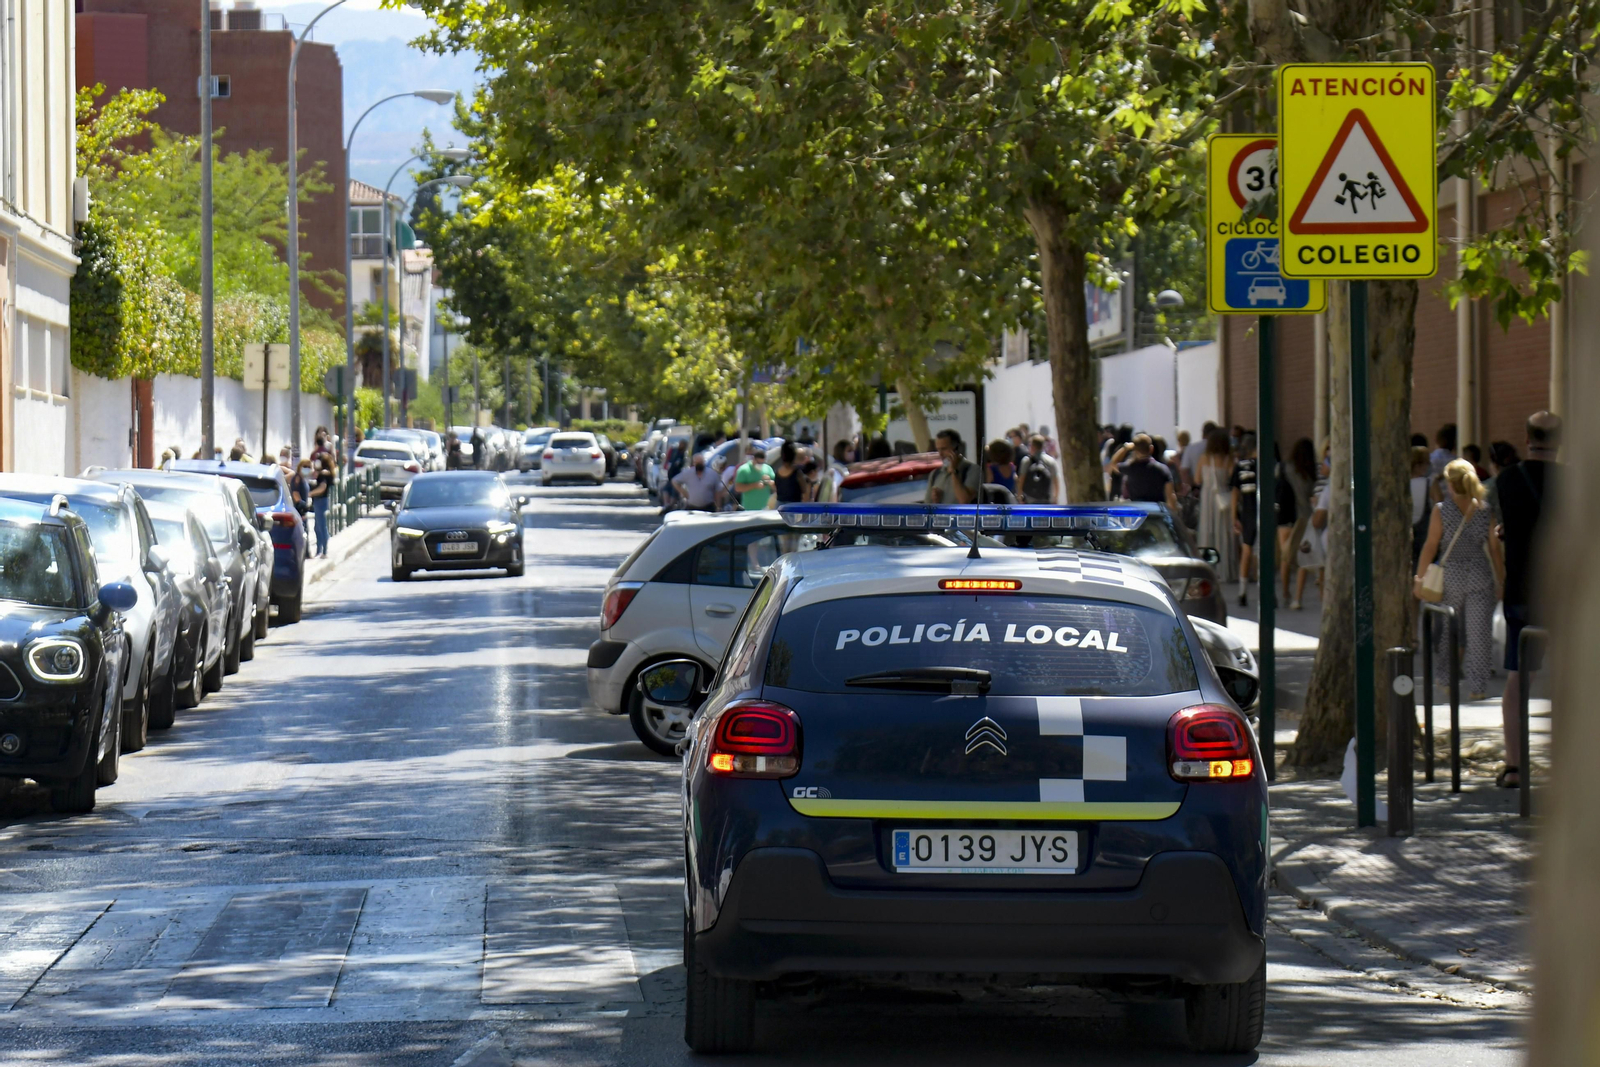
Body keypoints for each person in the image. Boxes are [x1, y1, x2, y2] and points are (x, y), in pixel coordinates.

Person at [1494, 411, 1560, 788]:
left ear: (1527, 436)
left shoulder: (1507, 480)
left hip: (1522, 590)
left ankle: (1515, 766)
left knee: (1519, 680)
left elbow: (1510, 526)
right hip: (1565, 594)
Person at [1414, 458, 1503, 702]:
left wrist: (1420, 578)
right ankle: (1478, 686)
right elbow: (1495, 549)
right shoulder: (1485, 510)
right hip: (1479, 574)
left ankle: (1445, 678)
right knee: (1479, 633)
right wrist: (1501, 580)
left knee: (1448, 631)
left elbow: (1431, 546)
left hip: (1450, 575)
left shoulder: (1442, 511)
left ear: (1450, 484)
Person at [1195, 428, 1236, 580]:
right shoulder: (1229, 459)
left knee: (1207, 531)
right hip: (1224, 498)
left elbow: (1197, 480)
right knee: (1223, 533)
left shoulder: (1204, 458)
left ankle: (1208, 571)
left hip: (1208, 498)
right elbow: (1233, 479)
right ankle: (1225, 571)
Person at [1280, 437, 1316, 591]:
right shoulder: (1310, 473)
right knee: (1302, 557)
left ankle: (1285, 591)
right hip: (1303, 517)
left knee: (1285, 557)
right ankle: (1297, 596)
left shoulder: (1284, 468)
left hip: (1285, 516)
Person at [1108, 433, 1178, 508]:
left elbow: (1113, 464)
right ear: (1151, 449)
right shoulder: (1163, 469)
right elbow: (1170, 496)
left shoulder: (1130, 468)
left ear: (1135, 449)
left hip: (1138, 513)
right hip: (1157, 512)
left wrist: (1126, 447)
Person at [1230, 434, 1260, 606]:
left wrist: (1234, 516)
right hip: (1264, 512)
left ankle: (1242, 592)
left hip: (1247, 512)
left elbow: (1235, 493)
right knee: (1263, 553)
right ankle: (1265, 591)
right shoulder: (1268, 465)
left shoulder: (1240, 466)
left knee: (1246, 551)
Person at [925, 429, 981, 505]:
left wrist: (954, 471)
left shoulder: (973, 471)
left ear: (957, 449)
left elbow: (964, 501)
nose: (940, 454)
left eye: (944, 449)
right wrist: (935, 501)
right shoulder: (936, 474)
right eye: (938, 449)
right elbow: (927, 507)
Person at [1016, 433, 1061, 504]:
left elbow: (1021, 479)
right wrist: (1055, 498)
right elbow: (1056, 481)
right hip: (1047, 500)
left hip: (1030, 500)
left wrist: (1019, 497)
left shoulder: (1027, 461)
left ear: (1032, 446)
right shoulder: (1051, 461)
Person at [733, 445, 777, 511]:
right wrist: (755, 485)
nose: (760, 464)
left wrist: (770, 482)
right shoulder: (744, 469)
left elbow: (776, 487)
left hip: (766, 509)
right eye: (759, 462)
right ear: (754, 459)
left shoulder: (768, 469)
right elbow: (738, 488)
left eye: (762, 462)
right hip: (749, 509)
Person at [308, 453, 334, 557]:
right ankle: (319, 550)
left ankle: (324, 551)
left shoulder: (323, 474)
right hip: (321, 500)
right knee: (317, 527)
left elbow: (322, 487)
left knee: (321, 526)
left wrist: (310, 493)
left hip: (320, 500)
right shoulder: (326, 473)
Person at [772, 441, 808, 505]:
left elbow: (776, 489)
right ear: (794, 455)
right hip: (794, 508)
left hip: (779, 507)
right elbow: (805, 490)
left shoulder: (777, 472)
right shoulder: (797, 473)